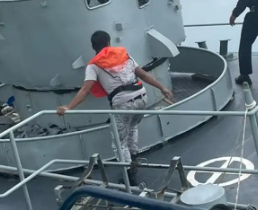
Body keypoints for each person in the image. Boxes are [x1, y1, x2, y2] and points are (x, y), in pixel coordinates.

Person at [57, 30, 174, 184]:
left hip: (123, 103)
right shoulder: (124, 55)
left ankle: (128, 175)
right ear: (108, 42)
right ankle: (134, 159)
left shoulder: (94, 66)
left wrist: (68, 107)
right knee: (132, 127)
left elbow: (85, 90)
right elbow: (143, 75)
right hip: (141, 97)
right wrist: (162, 87)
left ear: (93, 47)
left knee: (119, 142)